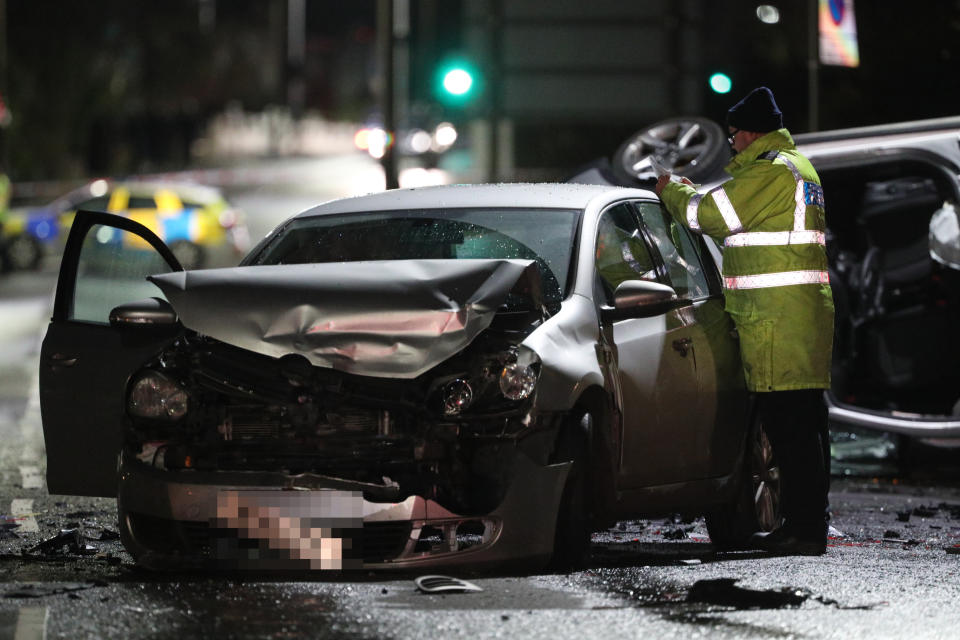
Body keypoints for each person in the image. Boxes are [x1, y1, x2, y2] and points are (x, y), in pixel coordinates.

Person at [655, 86, 834, 556]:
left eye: (734, 135)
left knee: (792, 431)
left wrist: (672, 189)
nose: (732, 143)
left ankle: (803, 531)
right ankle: (807, 525)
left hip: (779, 320)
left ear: (750, 132)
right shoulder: (795, 168)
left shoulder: (772, 172)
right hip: (793, 317)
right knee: (807, 427)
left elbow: (707, 215)